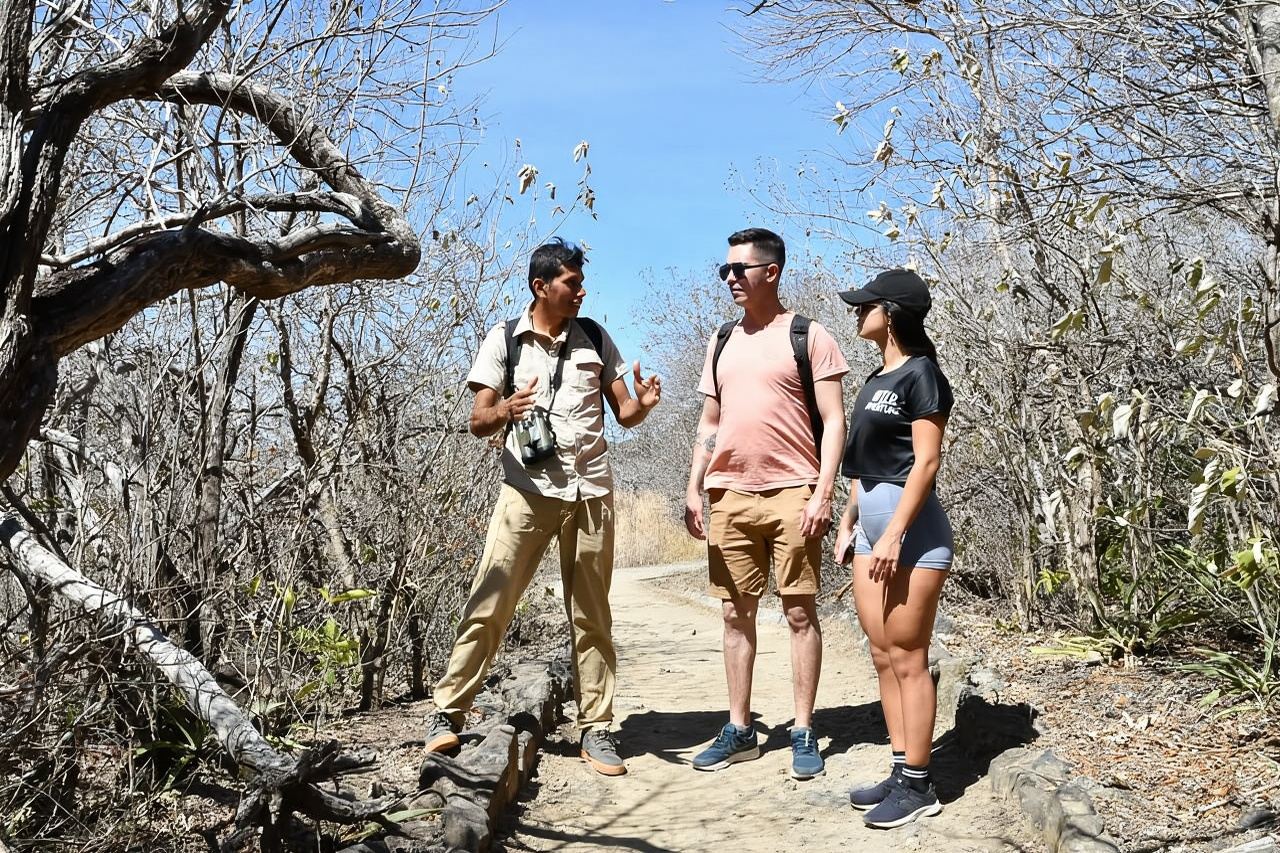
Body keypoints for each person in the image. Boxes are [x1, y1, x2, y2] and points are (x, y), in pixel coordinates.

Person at [424, 238, 661, 777]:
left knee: (593, 614)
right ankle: (448, 714)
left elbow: (623, 412)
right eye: (571, 283)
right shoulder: (504, 341)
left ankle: (597, 728)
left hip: (592, 493)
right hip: (527, 493)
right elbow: (477, 420)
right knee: (491, 600)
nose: (582, 291)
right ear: (541, 287)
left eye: (581, 282)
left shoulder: (597, 338)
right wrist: (507, 407)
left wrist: (642, 405)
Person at [683, 227, 848, 781]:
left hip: (794, 493)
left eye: (739, 270)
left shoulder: (809, 335)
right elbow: (710, 421)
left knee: (800, 611)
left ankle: (803, 730)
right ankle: (740, 730)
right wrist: (694, 486)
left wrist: (824, 492)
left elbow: (834, 422)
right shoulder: (721, 340)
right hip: (728, 494)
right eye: (724, 270)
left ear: (770, 272)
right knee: (735, 613)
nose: (729, 278)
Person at [833, 268, 954, 828]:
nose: (859, 313)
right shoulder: (871, 380)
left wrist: (896, 532)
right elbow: (861, 468)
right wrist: (849, 524)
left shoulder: (922, 374)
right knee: (882, 654)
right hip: (869, 535)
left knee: (909, 657)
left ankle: (919, 784)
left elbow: (925, 462)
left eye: (867, 306)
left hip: (912, 536)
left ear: (893, 313)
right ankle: (901, 765)